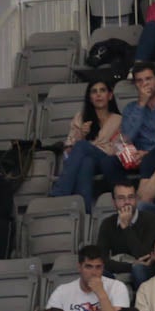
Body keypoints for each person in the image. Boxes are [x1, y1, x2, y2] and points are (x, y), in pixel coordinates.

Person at [48, 78, 125, 214]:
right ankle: (85, 211)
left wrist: (88, 144)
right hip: (87, 159)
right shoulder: (81, 117)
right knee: (86, 162)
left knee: (82, 146)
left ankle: (59, 193)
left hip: (106, 159)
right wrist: (82, 135)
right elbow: (68, 149)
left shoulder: (118, 119)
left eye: (102, 90)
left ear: (110, 95)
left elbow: (119, 148)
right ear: (90, 97)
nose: (98, 95)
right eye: (94, 92)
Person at [46, 244, 131, 311]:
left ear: (103, 267)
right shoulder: (62, 291)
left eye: (98, 267)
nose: (94, 273)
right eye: (88, 267)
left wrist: (101, 294)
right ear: (79, 267)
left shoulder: (117, 287)